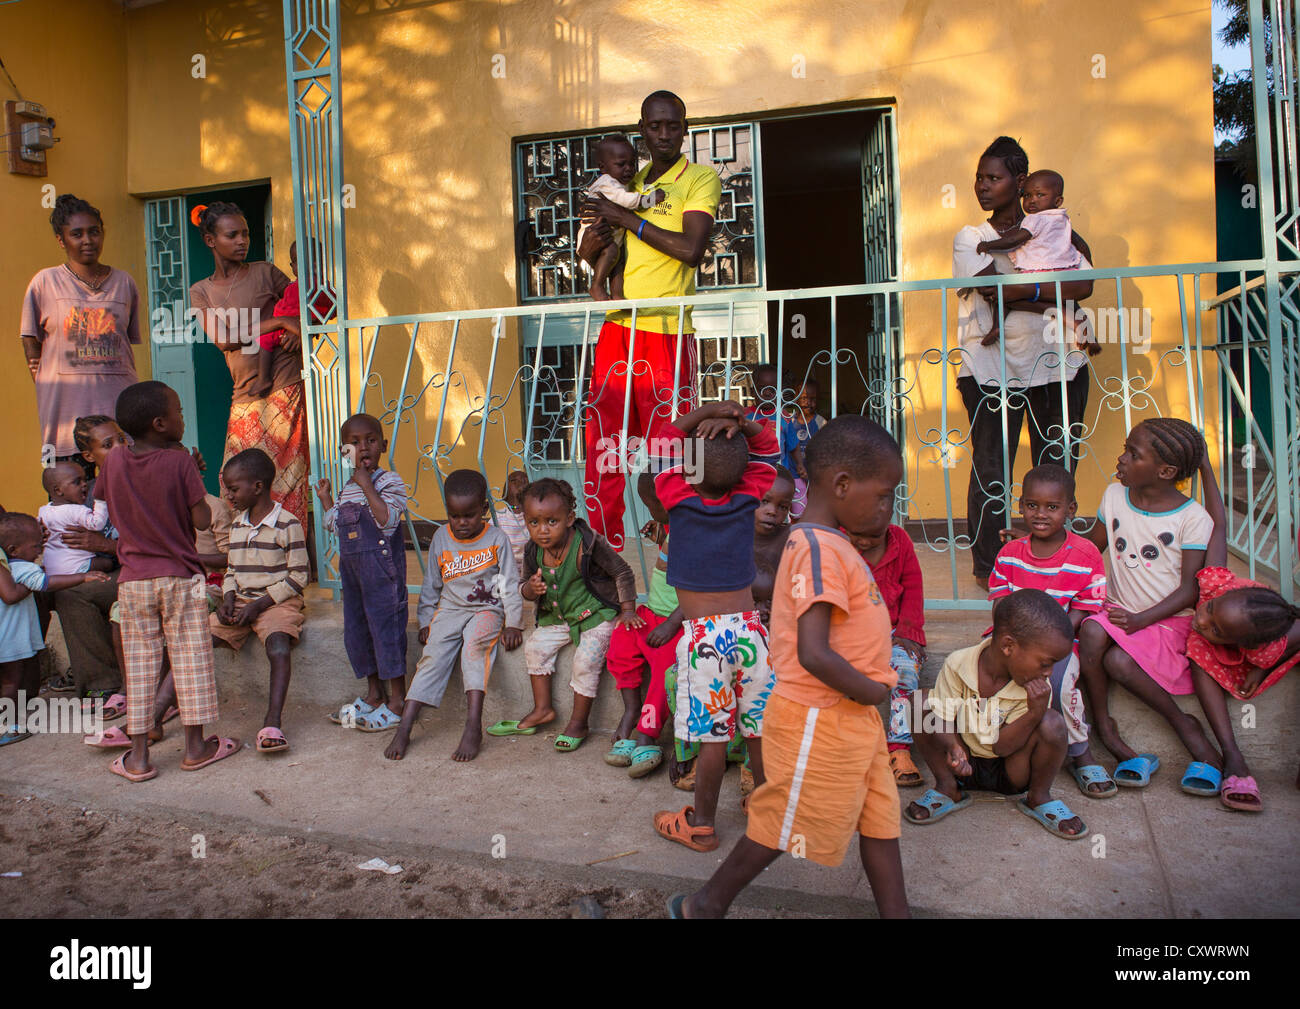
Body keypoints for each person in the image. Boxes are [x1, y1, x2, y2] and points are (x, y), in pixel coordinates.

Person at [667, 416, 910, 918]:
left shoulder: (828, 542)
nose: (888, 507)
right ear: (841, 485)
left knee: (880, 820)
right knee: (784, 821)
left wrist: (740, 420)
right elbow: (812, 651)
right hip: (823, 715)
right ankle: (705, 906)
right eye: (884, 494)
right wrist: (870, 691)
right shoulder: (817, 548)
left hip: (853, 717)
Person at [578, 90, 721, 549]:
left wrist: (625, 215)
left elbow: (690, 250)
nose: (663, 134)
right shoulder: (624, 177)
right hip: (618, 328)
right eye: (654, 126)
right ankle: (605, 551)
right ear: (641, 129)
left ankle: (679, 551)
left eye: (672, 125)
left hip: (667, 332)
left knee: (672, 450)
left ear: (685, 127)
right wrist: (590, 247)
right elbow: (595, 247)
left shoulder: (699, 179)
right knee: (605, 447)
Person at [954, 137, 1099, 588]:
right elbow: (985, 288)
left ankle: (1054, 565)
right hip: (989, 368)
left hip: (1060, 365)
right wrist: (1053, 296)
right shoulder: (973, 237)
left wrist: (1021, 290)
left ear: (1020, 183)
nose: (982, 186)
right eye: (979, 177)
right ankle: (991, 568)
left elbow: (1085, 286)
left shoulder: (1060, 229)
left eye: (993, 178)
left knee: (1055, 467)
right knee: (993, 472)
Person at [651, 401, 779, 853]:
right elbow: (769, 455)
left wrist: (706, 412)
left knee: (712, 737)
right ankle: (767, 808)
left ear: (687, 469)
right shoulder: (749, 498)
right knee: (759, 727)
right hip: (751, 632)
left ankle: (701, 825)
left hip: (706, 640)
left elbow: (658, 449)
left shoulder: (678, 502)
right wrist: (741, 421)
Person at [95, 381, 237, 780]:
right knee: (191, 661)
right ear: (160, 423)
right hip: (182, 578)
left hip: (134, 581)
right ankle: (195, 748)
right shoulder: (180, 464)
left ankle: (138, 758)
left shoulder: (115, 461)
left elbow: (113, 498)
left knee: (140, 667)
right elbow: (202, 520)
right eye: (177, 410)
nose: (182, 416)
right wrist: (189, 474)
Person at [1077, 418, 1224, 795]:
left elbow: (1190, 590)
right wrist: (1038, 542)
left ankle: (1182, 722)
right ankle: (1104, 725)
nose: (1121, 459)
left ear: (1165, 471)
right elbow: (1091, 548)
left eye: (1133, 454)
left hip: (1165, 620)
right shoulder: (1113, 496)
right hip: (1117, 613)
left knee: (1118, 662)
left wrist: (1141, 619)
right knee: (1092, 631)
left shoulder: (1192, 518)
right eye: (1126, 449)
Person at [904, 588, 1087, 840]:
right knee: (919, 702)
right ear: (1008, 646)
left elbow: (1002, 748)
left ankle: (1039, 797)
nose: (1048, 673)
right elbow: (942, 714)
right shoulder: (958, 664)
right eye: (1046, 663)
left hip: (1012, 771)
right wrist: (952, 746)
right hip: (961, 765)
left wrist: (1034, 713)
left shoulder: (1034, 687)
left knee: (1052, 722)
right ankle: (948, 787)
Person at [987, 463, 1110, 798]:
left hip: (1059, 645)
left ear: (1070, 509)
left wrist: (1043, 644)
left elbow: (1085, 608)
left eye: (1052, 507)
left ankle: (1080, 752)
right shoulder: (1010, 554)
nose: (1040, 514)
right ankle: (987, 749)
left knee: (1062, 684)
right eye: (1031, 505)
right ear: (1021, 506)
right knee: (981, 675)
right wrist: (1013, 643)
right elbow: (1000, 604)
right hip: (1010, 642)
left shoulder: (1085, 555)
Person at [487, 478, 637, 749]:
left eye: (551, 522)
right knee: (534, 647)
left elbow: (622, 571)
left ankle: (579, 723)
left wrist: (627, 610)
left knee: (584, 662)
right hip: (559, 617)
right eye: (534, 523)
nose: (542, 530)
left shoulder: (587, 544)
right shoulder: (533, 549)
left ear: (569, 518)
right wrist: (531, 590)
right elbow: (522, 587)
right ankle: (543, 708)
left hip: (594, 615)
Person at [1184, 455, 1298, 812]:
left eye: (1217, 629)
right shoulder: (1218, 583)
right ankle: (1231, 753)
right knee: (1197, 652)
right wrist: (1204, 467)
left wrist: (1261, 668)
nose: (1203, 621)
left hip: (1267, 649)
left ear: (1242, 644)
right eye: (1211, 611)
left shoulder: (1264, 647)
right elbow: (1219, 524)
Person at [385, 470, 523, 762]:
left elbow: (509, 584)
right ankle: (405, 726)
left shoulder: (497, 539)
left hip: (487, 609)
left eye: (469, 516)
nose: (461, 523)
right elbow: (431, 584)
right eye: (454, 515)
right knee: (433, 655)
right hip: (450, 609)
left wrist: (513, 623)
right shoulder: (440, 538)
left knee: (474, 649)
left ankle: (473, 725)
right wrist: (425, 621)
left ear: (484, 509)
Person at [189, 202, 310, 524]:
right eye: (232, 235)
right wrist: (278, 323)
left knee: (289, 479)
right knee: (237, 482)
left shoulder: (266, 272)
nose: (242, 240)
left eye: (245, 234)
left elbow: (307, 300)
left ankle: (290, 554)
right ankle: (246, 553)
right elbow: (224, 339)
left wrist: (299, 327)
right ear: (210, 240)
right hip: (245, 395)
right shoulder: (200, 292)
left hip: (285, 387)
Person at [20, 194, 141, 474]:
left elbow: (126, 341)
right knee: (68, 499)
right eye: (77, 234)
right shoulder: (44, 282)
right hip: (64, 415)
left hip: (118, 411)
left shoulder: (124, 282)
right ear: (61, 241)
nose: (87, 240)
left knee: (126, 496)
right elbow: (30, 339)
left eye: (94, 232)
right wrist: (44, 382)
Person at [211, 448, 309, 754]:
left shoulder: (287, 524)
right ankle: (158, 717)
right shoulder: (237, 526)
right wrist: (228, 598)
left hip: (277, 603)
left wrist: (261, 604)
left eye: (234, 489)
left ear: (258, 487)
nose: (229, 495)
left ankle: (272, 722)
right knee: (195, 642)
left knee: (278, 646)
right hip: (241, 602)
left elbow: (299, 577)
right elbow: (232, 571)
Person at [315, 413, 410, 731]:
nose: (363, 447)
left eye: (370, 440)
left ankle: (397, 700)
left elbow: (388, 521)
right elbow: (334, 524)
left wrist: (368, 487)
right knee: (359, 632)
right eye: (353, 443)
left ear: (383, 445)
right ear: (345, 453)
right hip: (353, 577)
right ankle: (374, 695)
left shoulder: (389, 482)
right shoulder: (346, 489)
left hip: (383, 575)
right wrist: (327, 499)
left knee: (387, 632)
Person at [0, 513, 109, 746]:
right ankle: (7, 728)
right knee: (10, 683)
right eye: (36, 546)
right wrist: (82, 577)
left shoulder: (8, 567)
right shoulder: (23, 569)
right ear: (14, 549)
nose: (40, 550)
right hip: (11, 642)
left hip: (6, 638)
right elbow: (45, 583)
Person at [849, 518, 928, 788]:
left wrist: (908, 632)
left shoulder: (900, 540)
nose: (865, 541)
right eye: (858, 533)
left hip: (895, 633)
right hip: (850, 636)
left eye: (873, 534)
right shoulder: (836, 544)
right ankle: (850, 750)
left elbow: (914, 587)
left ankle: (899, 748)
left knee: (904, 669)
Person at [973, 170, 1082, 346]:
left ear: (1058, 201)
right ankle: (1086, 331)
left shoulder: (1035, 219)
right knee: (1069, 301)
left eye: (1040, 195)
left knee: (1004, 294)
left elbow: (1015, 240)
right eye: (1027, 195)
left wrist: (990, 245)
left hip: (1037, 272)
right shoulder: (1063, 219)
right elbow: (1081, 246)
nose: (1032, 200)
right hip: (1064, 271)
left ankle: (997, 326)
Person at [577, 135, 666, 300]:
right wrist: (651, 198)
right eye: (621, 164)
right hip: (596, 234)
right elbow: (627, 201)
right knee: (612, 252)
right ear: (602, 167)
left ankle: (617, 295)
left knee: (618, 264)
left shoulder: (620, 183)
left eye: (632, 164)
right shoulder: (607, 182)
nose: (628, 169)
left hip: (611, 237)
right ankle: (596, 286)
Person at [37, 461, 112, 575]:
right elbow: (97, 524)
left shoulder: (44, 510)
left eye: (85, 479)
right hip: (78, 565)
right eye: (77, 482)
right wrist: (101, 501)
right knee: (107, 563)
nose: (84, 484)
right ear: (58, 490)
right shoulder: (76, 510)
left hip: (53, 567)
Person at [790, 376, 827, 515]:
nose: (809, 402)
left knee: (815, 506)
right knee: (798, 508)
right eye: (804, 398)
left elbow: (825, 449)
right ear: (796, 398)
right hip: (794, 473)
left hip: (814, 474)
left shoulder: (820, 422)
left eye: (813, 399)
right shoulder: (789, 421)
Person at [494, 469, 530, 575]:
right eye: (514, 481)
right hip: (505, 568)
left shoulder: (534, 515)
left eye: (525, 480)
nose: (520, 483)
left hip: (530, 568)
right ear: (505, 492)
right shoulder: (497, 517)